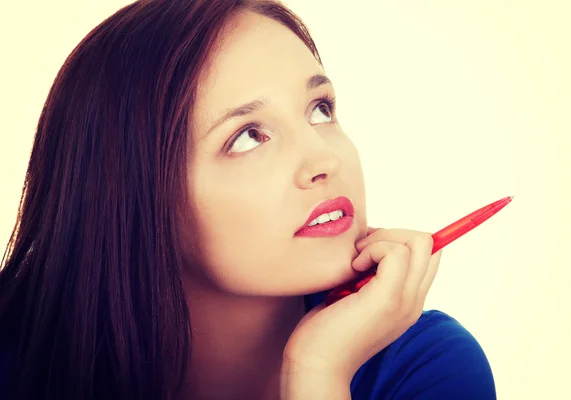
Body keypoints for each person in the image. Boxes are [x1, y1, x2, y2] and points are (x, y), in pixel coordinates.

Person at [0, 0, 496, 398]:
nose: (323, 158)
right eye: (248, 136)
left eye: (320, 109)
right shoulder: (18, 360)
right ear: (131, 194)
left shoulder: (427, 367)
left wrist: (317, 374)